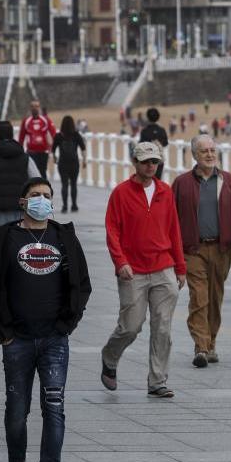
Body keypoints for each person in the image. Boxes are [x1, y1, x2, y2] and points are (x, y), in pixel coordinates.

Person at [0, 177, 91, 462]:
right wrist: (2, 332)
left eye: (47, 195)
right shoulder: (3, 239)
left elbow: (82, 284)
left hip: (54, 340)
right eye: (36, 195)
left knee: (54, 409)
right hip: (18, 342)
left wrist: (68, 324)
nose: (42, 199)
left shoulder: (64, 237)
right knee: (16, 411)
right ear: (23, 201)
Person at [100, 141, 188, 399]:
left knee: (162, 327)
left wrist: (180, 267)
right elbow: (112, 230)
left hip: (164, 268)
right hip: (133, 270)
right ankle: (110, 356)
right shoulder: (120, 193)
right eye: (146, 162)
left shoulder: (165, 192)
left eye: (155, 162)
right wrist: (120, 262)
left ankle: (157, 380)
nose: (151, 167)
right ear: (135, 163)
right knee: (130, 326)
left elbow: (174, 230)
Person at [173, 135, 231, 368]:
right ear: (194, 156)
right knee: (198, 297)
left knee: (214, 297)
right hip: (193, 249)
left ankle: (211, 342)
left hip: (221, 249)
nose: (209, 154)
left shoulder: (229, 181)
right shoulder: (182, 183)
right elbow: (170, 219)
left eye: (212, 150)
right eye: (204, 151)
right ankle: (201, 346)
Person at [50, 116, 86, 213]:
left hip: (63, 163)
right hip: (74, 163)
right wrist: (84, 161)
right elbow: (83, 148)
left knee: (64, 184)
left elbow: (53, 149)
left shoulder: (58, 135)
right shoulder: (76, 135)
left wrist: (54, 158)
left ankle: (65, 206)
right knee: (74, 184)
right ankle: (74, 205)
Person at [18, 101, 56, 179]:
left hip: (43, 151)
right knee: (32, 172)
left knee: (43, 171)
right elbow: (21, 136)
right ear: (30, 108)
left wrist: (51, 146)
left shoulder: (45, 120)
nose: (34, 108)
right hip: (31, 151)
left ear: (39, 108)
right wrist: (19, 149)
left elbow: (53, 132)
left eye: (36, 106)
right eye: (32, 106)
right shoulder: (26, 121)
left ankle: (44, 189)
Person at [138, 107, 169, 179]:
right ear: (158, 117)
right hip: (158, 159)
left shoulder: (145, 130)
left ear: (148, 117)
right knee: (157, 179)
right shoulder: (161, 130)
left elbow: (141, 144)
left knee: (147, 180)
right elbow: (165, 143)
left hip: (147, 159)